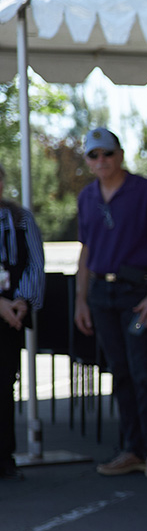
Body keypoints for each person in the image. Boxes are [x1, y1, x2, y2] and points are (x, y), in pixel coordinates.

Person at [71, 127, 147, 479]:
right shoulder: (86, 197)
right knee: (120, 372)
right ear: (87, 161)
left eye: (107, 153)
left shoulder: (144, 190)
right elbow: (85, 252)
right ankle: (132, 449)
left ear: (120, 155)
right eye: (93, 155)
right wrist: (81, 299)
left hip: (137, 296)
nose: (101, 160)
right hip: (101, 296)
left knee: (144, 372)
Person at [0, 162, 45, 480]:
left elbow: (35, 264)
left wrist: (20, 303)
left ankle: (4, 457)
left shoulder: (20, 218)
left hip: (12, 318)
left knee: (4, 386)